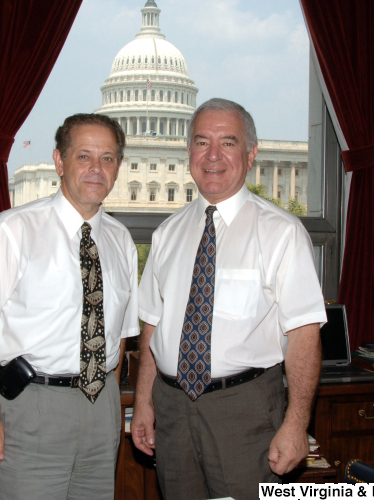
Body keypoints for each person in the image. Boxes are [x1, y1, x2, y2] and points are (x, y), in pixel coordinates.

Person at [131, 98, 326, 500]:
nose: (213, 155)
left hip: (246, 411)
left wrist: (296, 424)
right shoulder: (168, 233)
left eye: (229, 142)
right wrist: (144, 403)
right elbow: (152, 325)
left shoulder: (281, 233)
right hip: (171, 409)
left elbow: (304, 335)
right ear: (189, 153)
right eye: (202, 142)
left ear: (251, 154)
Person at [0, 113, 139, 500]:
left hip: (100, 408)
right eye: (84, 156)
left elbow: (119, 334)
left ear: (118, 167)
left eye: (107, 158)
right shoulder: (15, 229)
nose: (96, 168)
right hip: (30, 408)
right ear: (59, 161)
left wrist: (109, 398)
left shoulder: (122, 241)